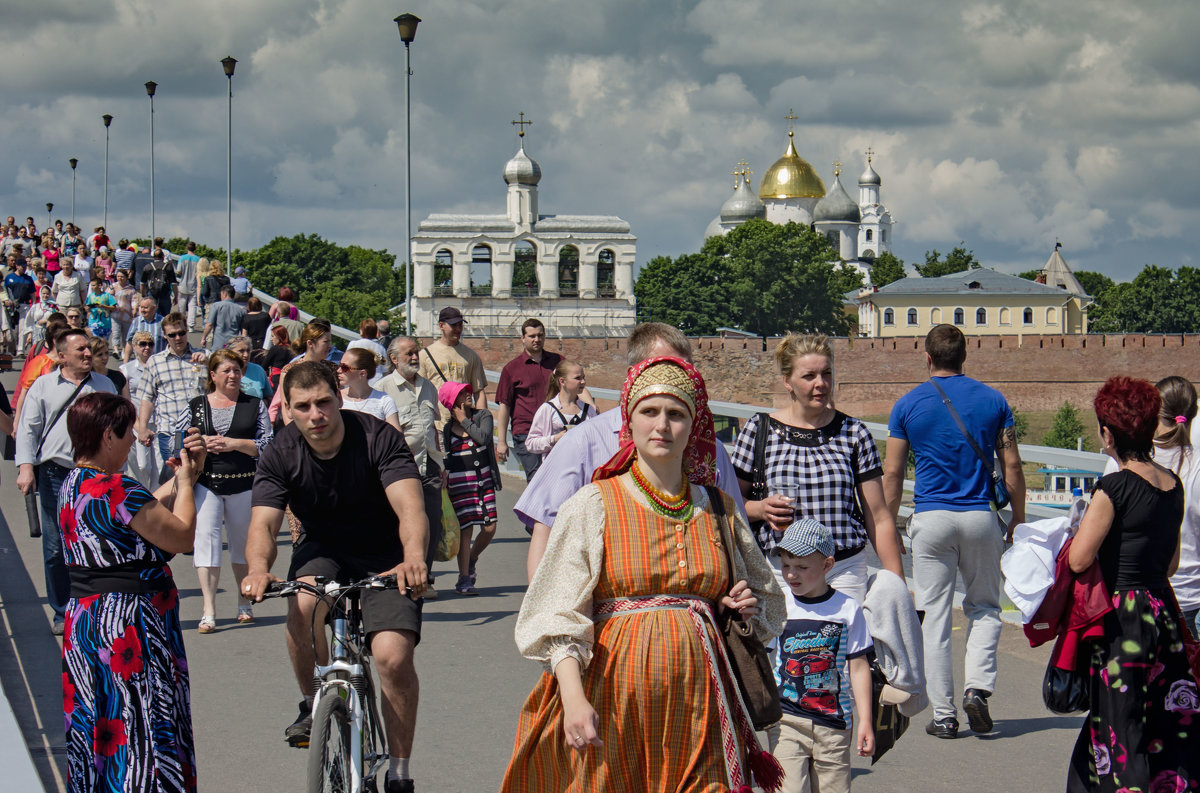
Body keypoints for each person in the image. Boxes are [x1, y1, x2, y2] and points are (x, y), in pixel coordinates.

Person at [500, 356, 786, 793]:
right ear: (628, 422)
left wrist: (737, 604)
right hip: (613, 701)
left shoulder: (718, 509)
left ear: (694, 427)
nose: (662, 425)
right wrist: (573, 698)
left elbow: (766, 600)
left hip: (701, 705)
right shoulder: (593, 503)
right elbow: (558, 611)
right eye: (649, 412)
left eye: (676, 414)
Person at [241, 362, 429, 793]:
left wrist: (414, 558)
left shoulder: (378, 438)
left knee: (392, 657)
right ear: (287, 410)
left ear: (339, 399)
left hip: (388, 552)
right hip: (323, 548)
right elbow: (263, 525)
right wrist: (256, 568)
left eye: (324, 402)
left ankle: (399, 770)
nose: (316, 414)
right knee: (303, 606)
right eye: (303, 406)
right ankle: (314, 704)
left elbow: (410, 508)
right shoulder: (280, 452)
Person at [514, 322, 749, 582]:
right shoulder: (582, 443)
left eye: (686, 370)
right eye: (664, 369)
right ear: (633, 376)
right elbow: (546, 531)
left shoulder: (711, 452)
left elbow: (736, 538)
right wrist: (544, 614)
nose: (679, 380)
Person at [882, 324, 1025, 739]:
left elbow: (892, 472)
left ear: (927, 357)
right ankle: (977, 688)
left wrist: (886, 522)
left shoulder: (907, 405)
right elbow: (1012, 466)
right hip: (980, 518)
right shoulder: (994, 401)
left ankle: (944, 715)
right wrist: (1017, 517)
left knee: (934, 617)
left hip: (930, 520)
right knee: (984, 607)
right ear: (965, 356)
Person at [60, 391, 204, 793]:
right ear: (109, 435)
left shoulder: (74, 484)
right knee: (142, 722)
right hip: (130, 624)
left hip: (87, 622)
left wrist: (176, 481)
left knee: (99, 717)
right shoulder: (118, 487)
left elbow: (137, 514)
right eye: (128, 433)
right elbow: (182, 536)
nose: (134, 440)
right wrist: (189, 482)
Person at [1066, 376, 1200, 791]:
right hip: (1163, 612)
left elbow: (1079, 559)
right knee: (1162, 720)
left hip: (1122, 621)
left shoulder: (1114, 487)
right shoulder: (1172, 484)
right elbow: (1173, 562)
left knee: (1121, 723)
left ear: (1108, 434)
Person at [731, 333, 904, 603]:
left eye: (826, 374)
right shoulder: (759, 429)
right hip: (783, 571)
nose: (821, 384)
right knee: (786, 645)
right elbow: (729, 503)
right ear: (787, 381)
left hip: (842, 569)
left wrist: (897, 585)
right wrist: (760, 508)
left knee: (843, 644)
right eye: (809, 376)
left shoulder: (854, 433)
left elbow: (879, 517)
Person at [14, 329, 118, 634]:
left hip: (96, 476)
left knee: (97, 541)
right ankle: (62, 611)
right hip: (55, 474)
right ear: (61, 356)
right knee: (56, 547)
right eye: (80, 350)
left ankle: (94, 605)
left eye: (88, 348)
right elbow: (28, 430)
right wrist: (25, 468)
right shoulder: (44, 387)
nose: (87, 354)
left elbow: (117, 427)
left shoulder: (104, 385)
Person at [770, 518, 875, 793]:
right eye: (786, 565)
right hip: (787, 720)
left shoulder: (847, 609)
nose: (791, 574)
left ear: (827, 565)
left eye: (802, 567)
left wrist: (866, 720)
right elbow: (760, 656)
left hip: (834, 724)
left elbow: (859, 666)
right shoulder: (778, 604)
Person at [179, 350, 273, 633]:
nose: (232, 375)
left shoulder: (254, 404)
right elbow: (179, 439)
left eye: (236, 370)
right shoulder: (196, 405)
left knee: (242, 543)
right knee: (205, 541)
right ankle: (208, 609)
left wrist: (234, 444)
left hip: (244, 482)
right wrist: (197, 442)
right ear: (213, 375)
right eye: (226, 371)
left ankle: (244, 602)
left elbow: (268, 443)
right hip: (206, 482)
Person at [377, 336, 444, 599]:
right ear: (394, 359)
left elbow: (434, 428)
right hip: (400, 472)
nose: (415, 357)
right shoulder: (383, 389)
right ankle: (396, 575)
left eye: (416, 353)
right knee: (399, 523)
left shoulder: (428, 387)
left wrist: (442, 464)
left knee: (431, 523)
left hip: (429, 466)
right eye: (409, 354)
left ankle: (422, 578)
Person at [439, 381, 500, 596]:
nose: (468, 394)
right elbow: (447, 456)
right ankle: (464, 579)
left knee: (489, 527)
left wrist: (463, 419)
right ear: (452, 401)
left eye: (467, 391)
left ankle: (472, 558)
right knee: (466, 531)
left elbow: (483, 438)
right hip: (459, 483)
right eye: (461, 393)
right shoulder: (447, 429)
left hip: (483, 480)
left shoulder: (483, 416)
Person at [135, 313, 207, 483]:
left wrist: (209, 363)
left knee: (202, 477)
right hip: (171, 430)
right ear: (165, 336)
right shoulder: (155, 361)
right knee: (174, 479)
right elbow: (147, 397)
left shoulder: (203, 356)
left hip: (201, 429)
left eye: (181, 333)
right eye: (172, 335)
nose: (178, 338)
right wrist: (143, 427)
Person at [495, 318, 562, 481]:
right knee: (536, 479)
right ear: (523, 338)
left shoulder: (558, 362)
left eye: (540, 335)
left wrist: (591, 406)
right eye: (532, 336)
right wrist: (502, 441)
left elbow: (576, 383)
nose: (537, 340)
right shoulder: (512, 369)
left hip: (555, 429)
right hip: (526, 431)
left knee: (558, 478)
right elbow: (505, 406)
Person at [417, 307, 488, 425]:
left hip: (465, 423)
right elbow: (418, 392)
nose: (458, 329)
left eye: (460, 325)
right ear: (441, 326)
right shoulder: (425, 355)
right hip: (437, 423)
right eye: (454, 325)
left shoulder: (471, 356)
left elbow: (478, 391)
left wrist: (484, 423)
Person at [524, 359, 593, 459]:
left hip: (583, 469)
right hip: (556, 469)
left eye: (583, 377)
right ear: (562, 381)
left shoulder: (588, 410)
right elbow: (530, 443)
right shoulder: (548, 409)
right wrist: (554, 439)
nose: (583, 381)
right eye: (578, 378)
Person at [272, 319, 336, 425]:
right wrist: (293, 432)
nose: (330, 346)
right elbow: (286, 407)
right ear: (310, 343)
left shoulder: (332, 369)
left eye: (330, 341)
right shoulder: (289, 370)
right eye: (326, 342)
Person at [122, 330, 161, 488]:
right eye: (142, 344)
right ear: (134, 346)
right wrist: (138, 425)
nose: (147, 347)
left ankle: (156, 497)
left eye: (150, 344)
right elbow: (127, 400)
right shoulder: (126, 369)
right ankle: (142, 494)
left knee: (159, 465)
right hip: (138, 421)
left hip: (159, 420)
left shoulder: (158, 365)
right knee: (143, 465)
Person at [338, 348, 401, 430]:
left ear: (362, 373)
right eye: (339, 365)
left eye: (344, 367)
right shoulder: (336, 398)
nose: (338, 370)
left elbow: (396, 437)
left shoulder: (384, 401)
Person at [226, 336, 271, 400]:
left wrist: (263, 404)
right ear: (230, 352)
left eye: (248, 351)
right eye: (241, 351)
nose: (246, 355)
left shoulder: (258, 370)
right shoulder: (224, 371)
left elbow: (268, 396)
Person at [202, 284, 245, 352]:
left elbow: (209, 324)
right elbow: (242, 329)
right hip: (233, 343)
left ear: (224, 294)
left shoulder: (216, 306)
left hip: (218, 343)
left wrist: (204, 338)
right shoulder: (240, 310)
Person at [142, 249, 177, 318]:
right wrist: (176, 296)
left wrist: (144, 294)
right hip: (165, 293)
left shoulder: (148, 267)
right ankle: (164, 327)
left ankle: (154, 327)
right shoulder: (168, 267)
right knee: (165, 315)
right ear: (163, 257)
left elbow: (142, 283)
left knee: (152, 314)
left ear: (153, 257)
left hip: (152, 293)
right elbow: (174, 284)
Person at [175, 241, 201, 327]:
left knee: (181, 306)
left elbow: (179, 271)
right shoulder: (198, 259)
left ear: (187, 248)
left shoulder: (182, 258)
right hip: (193, 285)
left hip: (183, 285)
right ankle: (191, 325)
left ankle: (181, 323)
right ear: (195, 249)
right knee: (192, 306)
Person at [110, 269, 137, 351]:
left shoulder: (131, 289)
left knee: (126, 335)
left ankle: (125, 350)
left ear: (126, 277)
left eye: (122, 276)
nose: (120, 278)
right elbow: (106, 298)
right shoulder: (112, 286)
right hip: (115, 314)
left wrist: (134, 309)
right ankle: (116, 349)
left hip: (127, 315)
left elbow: (134, 300)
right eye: (118, 276)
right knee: (116, 333)